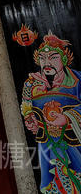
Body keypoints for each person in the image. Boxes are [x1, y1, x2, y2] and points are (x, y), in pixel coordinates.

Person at [22, 34, 81, 193]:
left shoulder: (78, 80)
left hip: (74, 140)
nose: (47, 63)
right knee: (53, 184)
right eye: (42, 58)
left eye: (53, 57)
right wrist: (30, 119)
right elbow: (27, 107)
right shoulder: (31, 83)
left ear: (64, 59)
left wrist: (68, 118)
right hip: (47, 143)